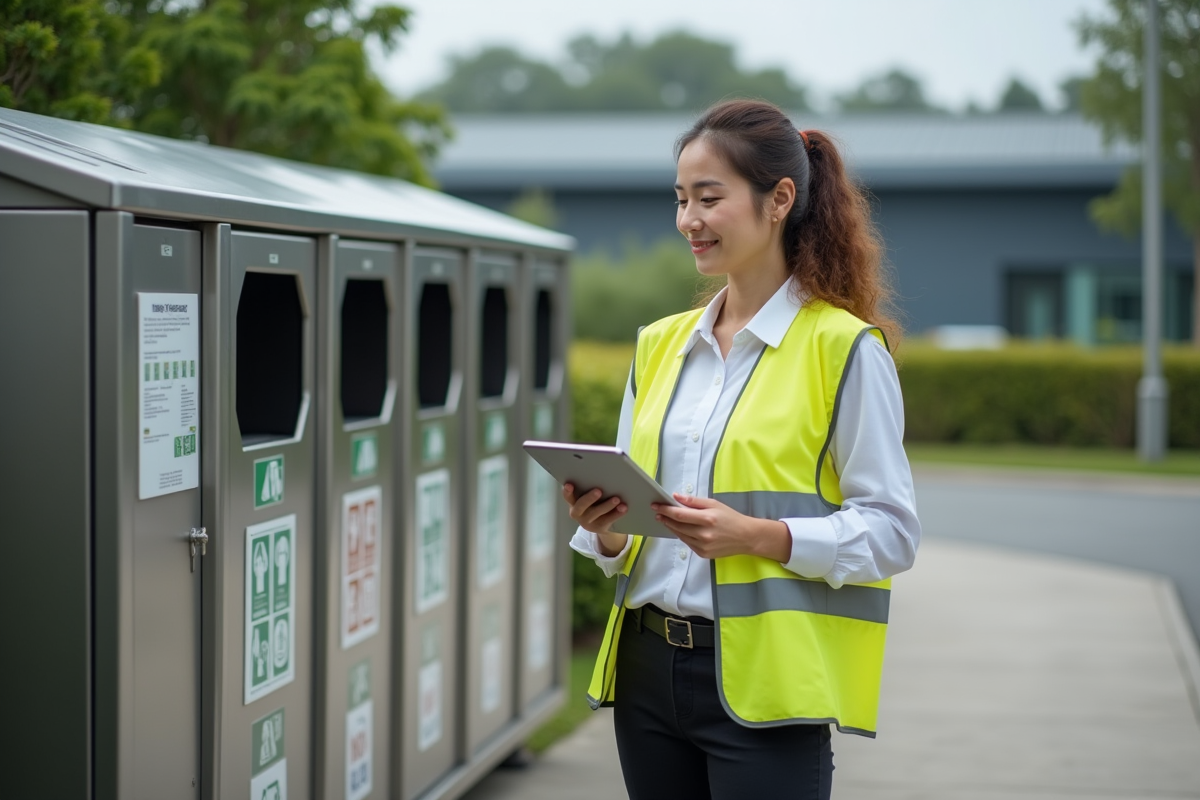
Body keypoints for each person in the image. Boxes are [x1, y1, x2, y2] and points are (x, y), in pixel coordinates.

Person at [565, 99, 921, 800]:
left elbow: (893, 532)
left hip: (767, 684)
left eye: (709, 198)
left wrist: (756, 537)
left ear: (779, 199)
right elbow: (631, 532)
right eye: (680, 199)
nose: (688, 220)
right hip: (645, 673)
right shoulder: (660, 344)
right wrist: (604, 532)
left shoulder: (844, 349)